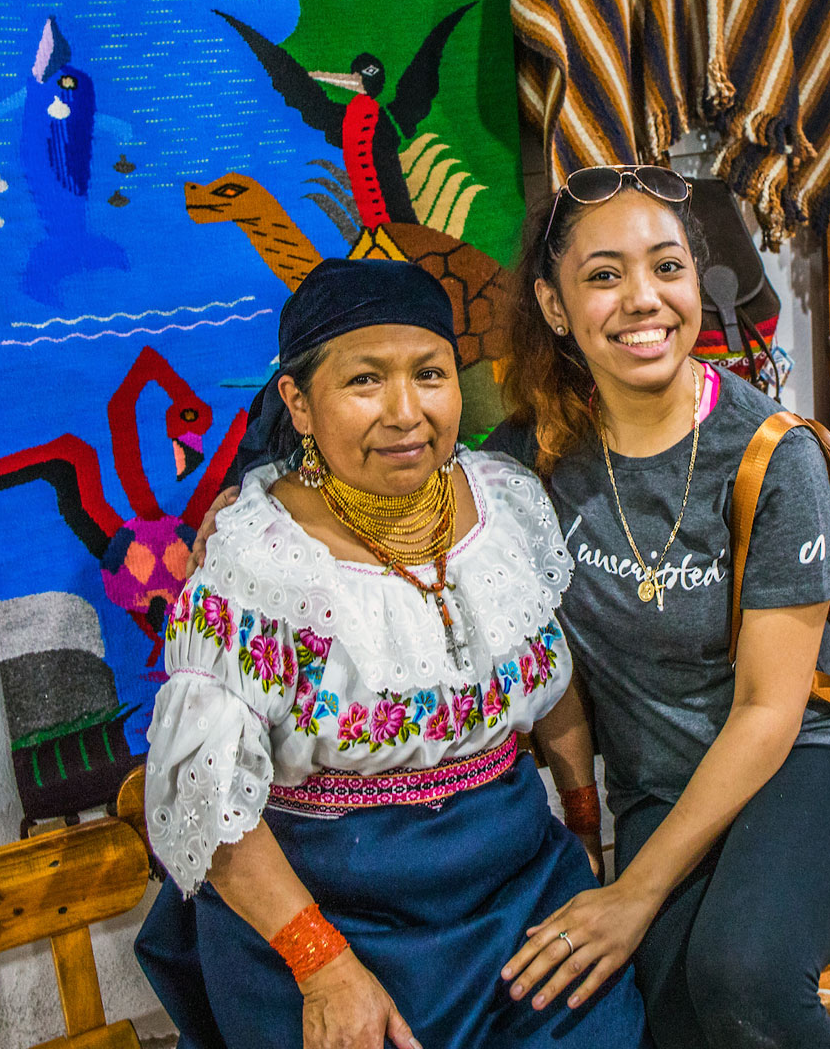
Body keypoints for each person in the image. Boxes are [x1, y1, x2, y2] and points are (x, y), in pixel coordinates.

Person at [136, 257, 646, 1049]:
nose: (407, 413)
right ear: (298, 403)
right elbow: (206, 799)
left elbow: (552, 688)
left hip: (517, 891)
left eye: (429, 374)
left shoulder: (504, 505)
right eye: (365, 381)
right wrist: (323, 966)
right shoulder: (256, 563)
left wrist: (584, 830)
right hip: (327, 918)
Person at [485, 166, 830, 1049]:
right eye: (604, 275)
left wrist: (633, 894)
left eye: (666, 267)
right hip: (658, 787)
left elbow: (768, 711)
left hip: (809, 760)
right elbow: (412, 508)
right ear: (555, 306)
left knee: (742, 975)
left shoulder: (771, 454)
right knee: (663, 1015)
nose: (643, 298)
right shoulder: (528, 456)